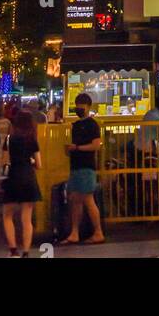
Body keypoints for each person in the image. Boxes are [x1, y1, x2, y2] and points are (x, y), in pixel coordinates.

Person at [1, 108, 42, 258]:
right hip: (28, 178)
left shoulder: (9, 139)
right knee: (26, 218)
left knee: (7, 215)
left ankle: (13, 251)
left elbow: (4, 161)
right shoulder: (32, 140)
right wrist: (30, 160)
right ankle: (26, 252)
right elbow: (39, 164)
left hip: (13, 178)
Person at [64, 93, 103, 245]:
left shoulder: (92, 125)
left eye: (81, 105)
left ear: (88, 106)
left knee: (87, 199)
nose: (78, 108)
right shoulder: (76, 125)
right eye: (77, 105)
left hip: (86, 167)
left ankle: (98, 232)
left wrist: (78, 148)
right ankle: (74, 233)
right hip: (76, 166)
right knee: (76, 199)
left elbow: (96, 145)